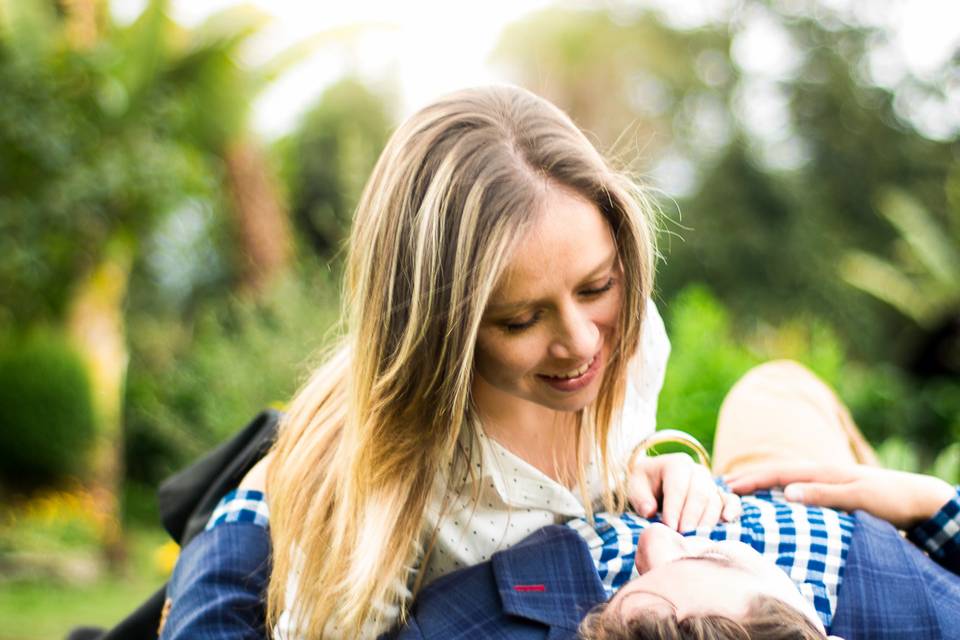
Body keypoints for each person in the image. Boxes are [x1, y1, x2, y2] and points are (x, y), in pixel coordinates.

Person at [209, 85, 739, 638]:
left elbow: (599, 495)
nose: (581, 343)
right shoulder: (392, 492)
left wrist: (646, 473)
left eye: (596, 286)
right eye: (520, 320)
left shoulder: (633, 341)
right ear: (442, 332)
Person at [159, 360, 960, 639]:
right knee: (773, 384)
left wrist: (257, 496)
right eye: (712, 554)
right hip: (809, 493)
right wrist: (932, 507)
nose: (653, 540)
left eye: (626, 601)